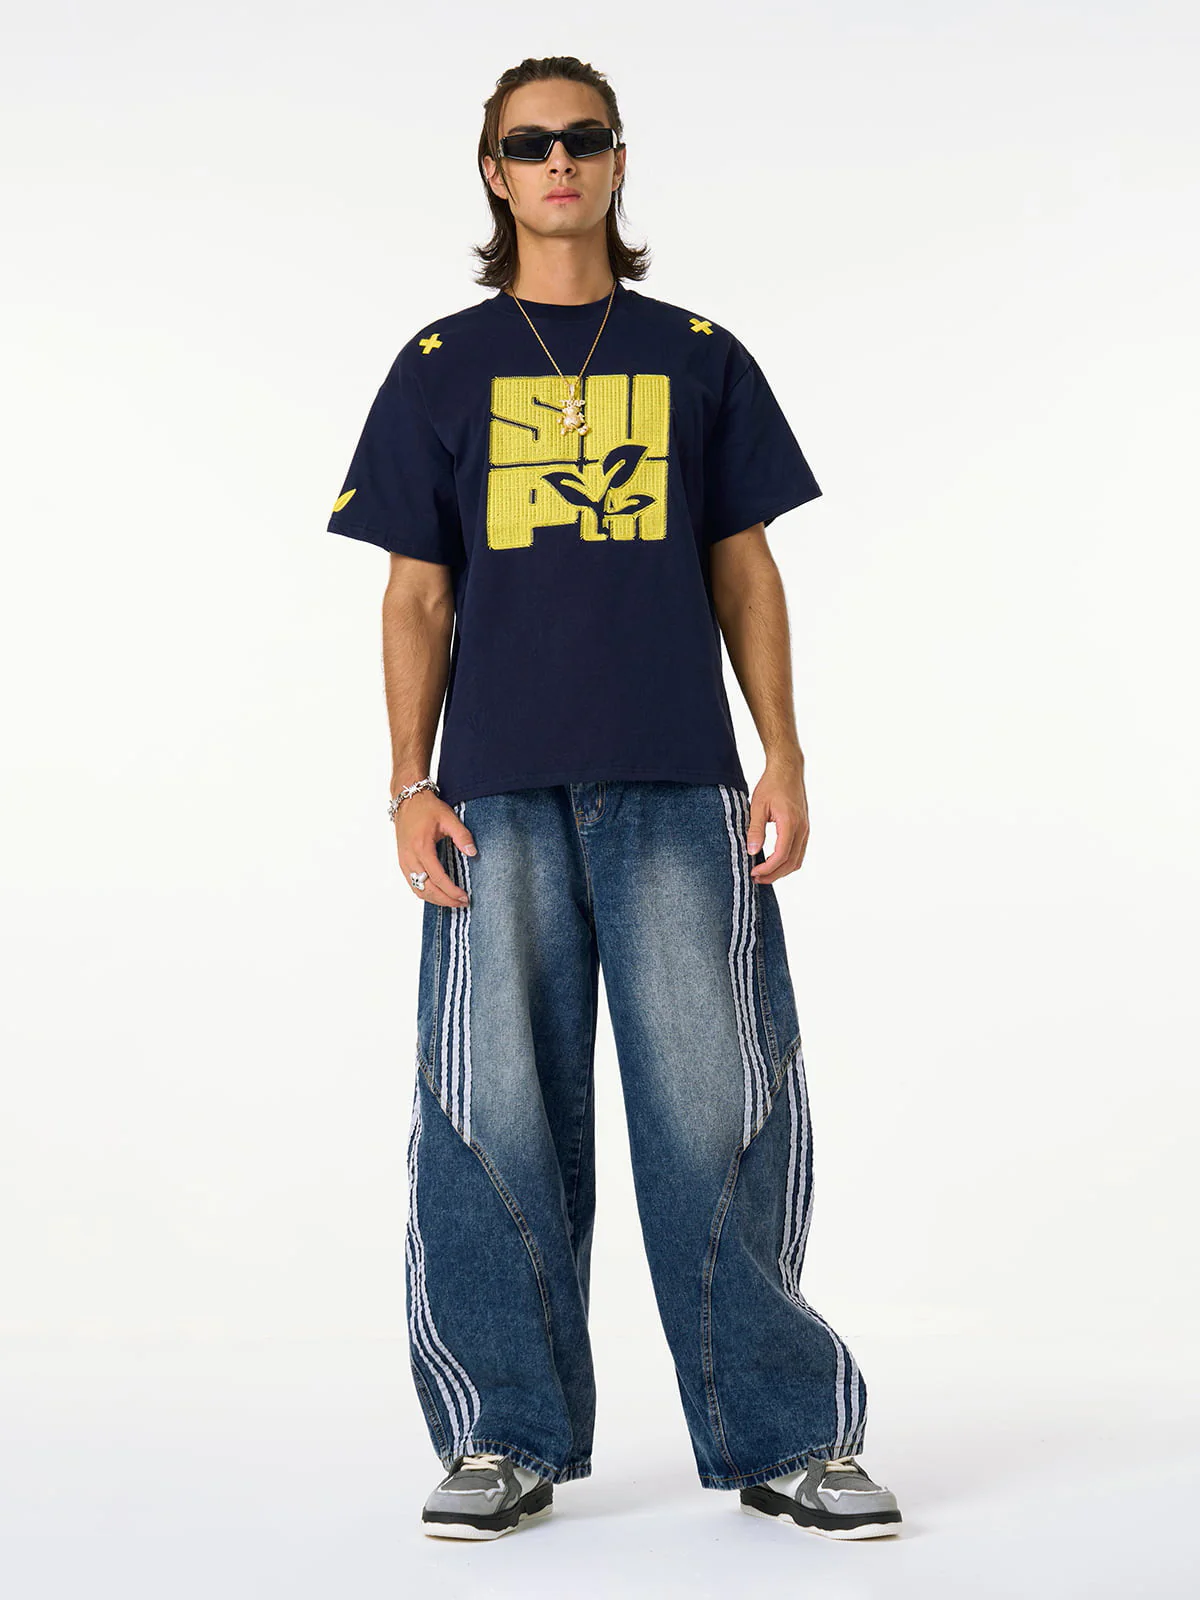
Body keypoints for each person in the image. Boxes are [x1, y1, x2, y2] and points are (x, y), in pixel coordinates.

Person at [325, 54, 902, 1543]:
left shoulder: (698, 355)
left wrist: (784, 754)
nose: (559, 162)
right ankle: (500, 1436)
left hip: (679, 789)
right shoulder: (441, 365)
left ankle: (785, 1435)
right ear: (494, 172)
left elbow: (743, 567)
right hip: (495, 800)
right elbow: (415, 594)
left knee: (720, 1110)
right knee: (489, 1118)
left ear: (619, 160)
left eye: (584, 138)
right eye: (531, 144)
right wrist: (405, 783)